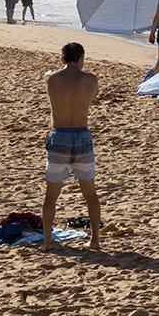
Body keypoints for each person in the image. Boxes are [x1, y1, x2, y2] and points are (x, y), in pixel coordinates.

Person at [41, 42, 102, 251]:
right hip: (81, 134)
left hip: (59, 135)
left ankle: (47, 241)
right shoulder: (89, 79)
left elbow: (49, 75)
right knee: (90, 193)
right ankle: (95, 240)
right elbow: (91, 96)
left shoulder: (52, 79)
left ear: (62, 58)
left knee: (51, 194)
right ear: (81, 58)